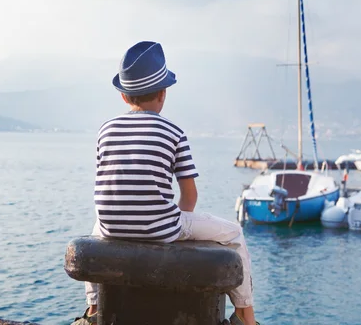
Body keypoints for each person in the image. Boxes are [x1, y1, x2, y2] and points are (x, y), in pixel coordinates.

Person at [72, 41, 259, 325]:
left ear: (124, 96)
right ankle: (245, 315)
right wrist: (177, 222)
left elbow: (109, 184)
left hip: (110, 226)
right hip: (162, 228)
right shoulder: (173, 131)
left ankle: (95, 308)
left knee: (96, 228)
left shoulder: (105, 130)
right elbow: (189, 194)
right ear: (163, 94)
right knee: (234, 233)